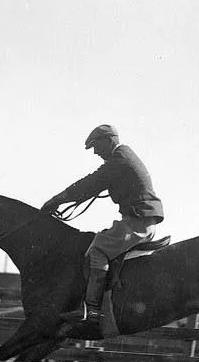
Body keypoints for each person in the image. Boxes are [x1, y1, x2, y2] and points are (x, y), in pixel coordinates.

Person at [41, 124, 164, 338]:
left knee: (97, 250)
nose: (96, 153)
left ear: (109, 140)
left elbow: (91, 183)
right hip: (141, 219)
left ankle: (92, 312)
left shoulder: (119, 160)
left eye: (96, 146)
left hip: (138, 222)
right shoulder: (123, 157)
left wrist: (56, 200)